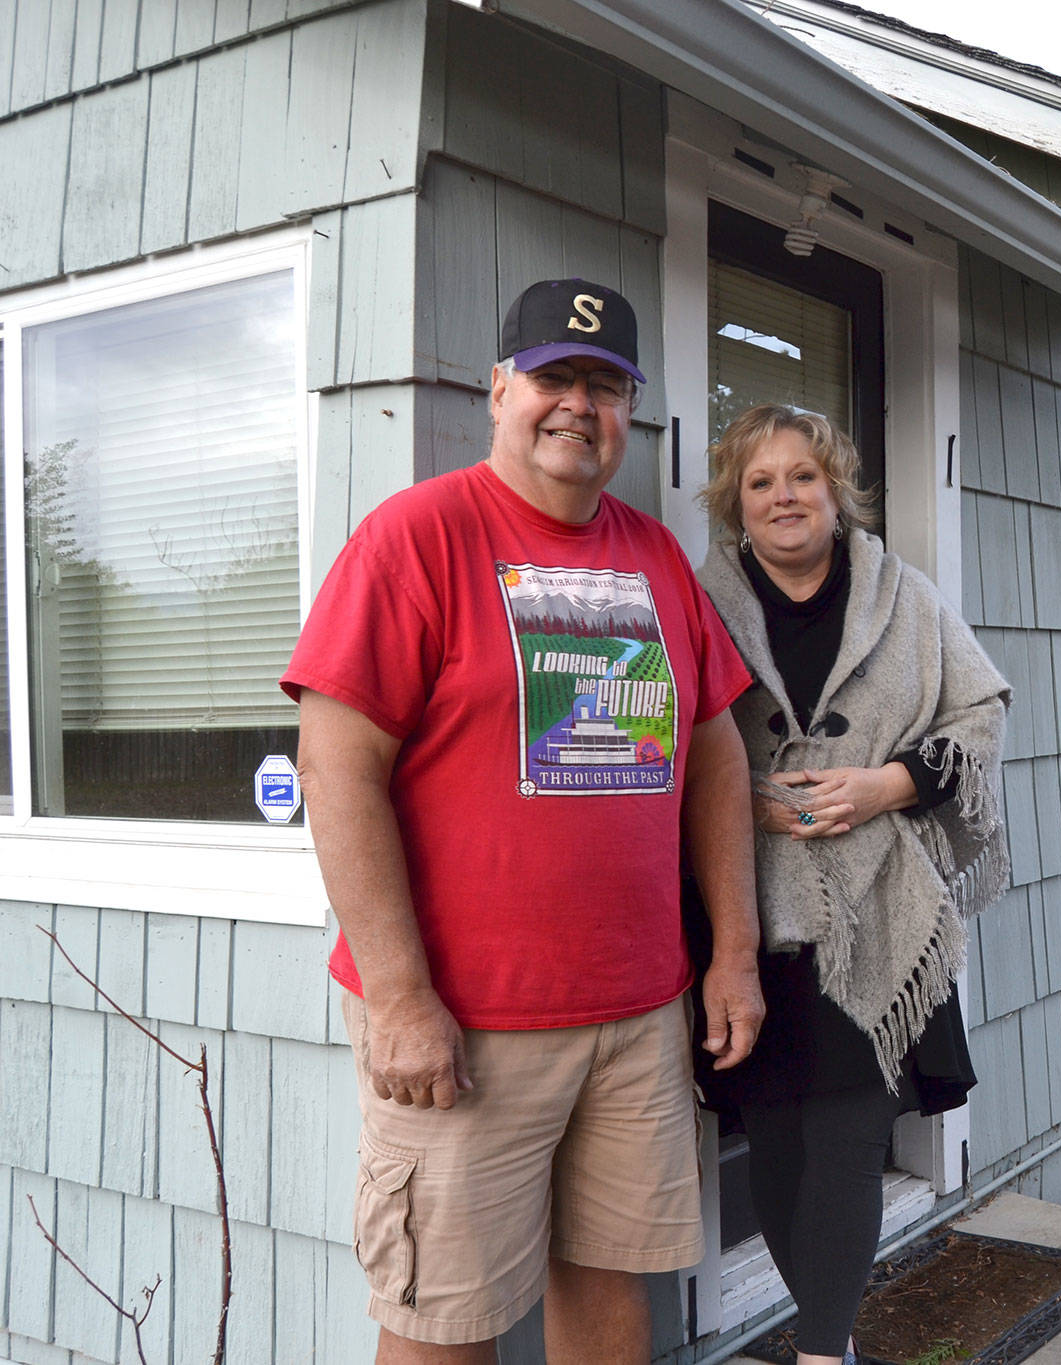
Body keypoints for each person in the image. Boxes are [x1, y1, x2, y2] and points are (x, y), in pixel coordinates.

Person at [284, 279, 765, 1364]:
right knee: (443, 1321)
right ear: (498, 388)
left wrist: (729, 954)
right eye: (554, 377)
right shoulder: (417, 538)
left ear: (627, 412)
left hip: (637, 1015)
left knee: (609, 1290)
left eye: (605, 386)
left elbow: (716, 754)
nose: (577, 406)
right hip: (466, 1024)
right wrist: (401, 995)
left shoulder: (653, 559)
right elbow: (336, 764)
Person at [697, 405, 1010, 1365]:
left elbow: (980, 713)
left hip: (878, 911)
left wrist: (887, 784)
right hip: (747, 917)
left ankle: (823, 1352)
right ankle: (825, 1344)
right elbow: (662, 733)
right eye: (761, 482)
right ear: (736, 504)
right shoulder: (697, 600)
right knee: (778, 1152)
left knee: (843, 1149)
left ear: (836, 492)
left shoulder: (904, 598)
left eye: (803, 477)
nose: (784, 495)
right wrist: (734, 798)